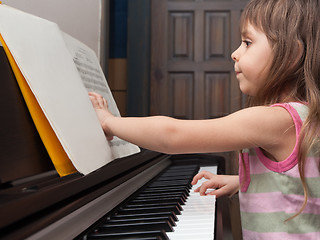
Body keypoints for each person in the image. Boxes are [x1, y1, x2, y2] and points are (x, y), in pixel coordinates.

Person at [89, 0, 320, 238]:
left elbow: (172, 136)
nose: (235, 53)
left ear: (291, 54)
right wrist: (241, 182)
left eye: (247, 43)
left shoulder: (278, 120)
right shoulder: (305, 115)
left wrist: (109, 122)